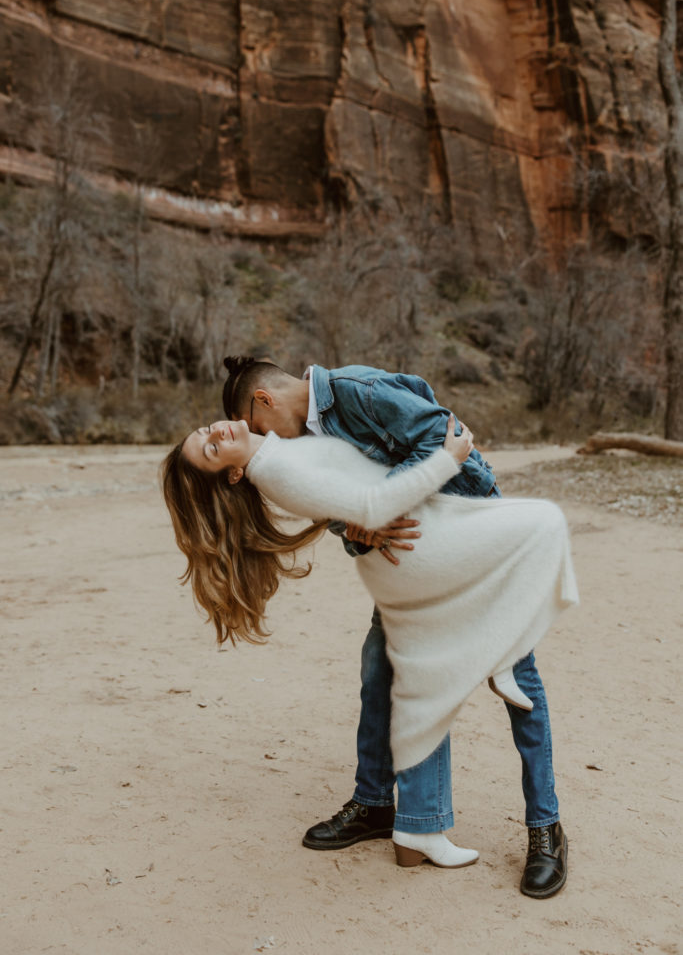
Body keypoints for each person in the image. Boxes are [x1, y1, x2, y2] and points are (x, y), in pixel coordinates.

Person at [162, 373, 578, 890]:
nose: (226, 429)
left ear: (262, 402)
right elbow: (346, 512)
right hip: (414, 560)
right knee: (379, 672)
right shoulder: (285, 452)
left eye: (220, 426)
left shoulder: (346, 395)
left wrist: (385, 503)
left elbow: (434, 421)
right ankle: (377, 805)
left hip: (469, 533)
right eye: (211, 442)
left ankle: (546, 828)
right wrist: (361, 531)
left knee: (519, 686)